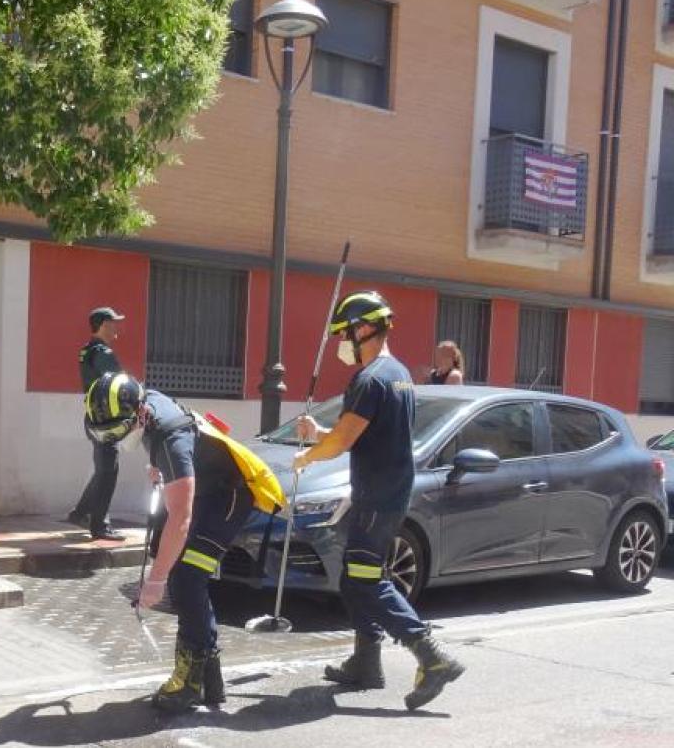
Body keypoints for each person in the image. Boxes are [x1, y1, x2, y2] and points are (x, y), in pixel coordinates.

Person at [293, 291, 465, 711]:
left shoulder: (369, 380)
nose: (342, 343)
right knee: (356, 578)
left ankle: (431, 656)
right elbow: (363, 432)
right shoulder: (399, 373)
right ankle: (366, 663)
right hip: (388, 492)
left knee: (365, 579)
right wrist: (318, 433)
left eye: (344, 333)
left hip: (376, 495)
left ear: (364, 329)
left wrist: (308, 454)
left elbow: (343, 442)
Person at [85, 372, 283, 712]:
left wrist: (156, 580)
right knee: (187, 577)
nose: (113, 438)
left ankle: (189, 681)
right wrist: (156, 464)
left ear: (140, 414)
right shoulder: (147, 404)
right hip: (208, 491)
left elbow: (181, 517)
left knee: (185, 578)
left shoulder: (169, 436)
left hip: (229, 497)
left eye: (117, 431)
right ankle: (210, 678)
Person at [68, 307, 127, 541]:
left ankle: (80, 512)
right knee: (108, 472)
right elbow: (119, 384)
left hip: (93, 417)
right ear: (103, 325)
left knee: (104, 469)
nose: (117, 327)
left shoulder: (87, 350)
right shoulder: (103, 353)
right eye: (114, 322)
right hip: (106, 420)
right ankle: (99, 526)